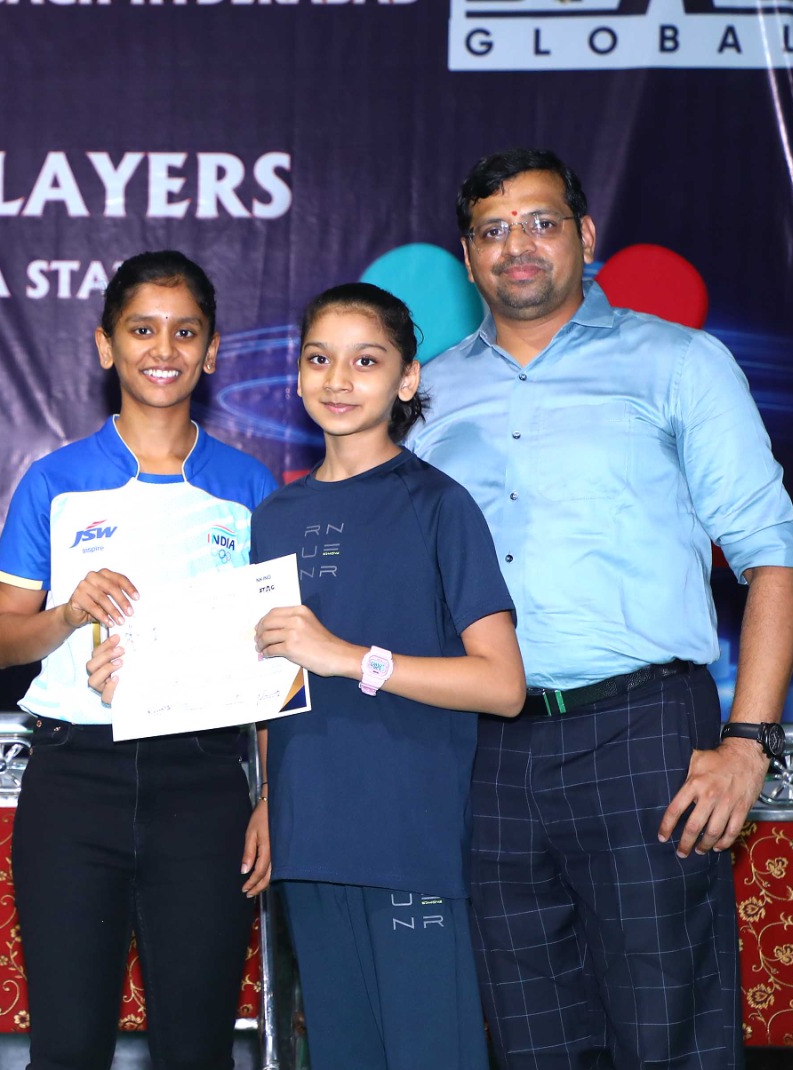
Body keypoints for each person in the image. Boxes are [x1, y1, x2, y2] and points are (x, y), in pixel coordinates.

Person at [408, 147, 793, 1069]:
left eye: (541, 222)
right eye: (493, 230)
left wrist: (748, 743)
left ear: (586, 236)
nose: (518, 246)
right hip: (485, 754)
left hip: (643, 737)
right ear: (467, 257)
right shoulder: (423, 393)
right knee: (532, 1040)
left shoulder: (679, 363)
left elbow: (777, 557)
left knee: (669, 1036)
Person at [0, 250, 277, 1070]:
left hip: (205, 784)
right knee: (67, 1047)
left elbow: (274, 661)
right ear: (105, 344)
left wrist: (270, 794)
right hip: (76, 781)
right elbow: (1, 640)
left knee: (197, 1047)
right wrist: (69, 613)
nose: (164, 349)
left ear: (211, 351)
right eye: (142, 329)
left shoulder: (250, 488)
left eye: (185, 332)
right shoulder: (54, 482)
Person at [249, 283, 524, 1070]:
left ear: (407, 379)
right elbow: (269, 684)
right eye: (319, 359)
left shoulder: (438, 505)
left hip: (410, 838)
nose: (338, 379)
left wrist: (350, 657)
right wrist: (268, 799)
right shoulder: (273, 516)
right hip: (308, 838)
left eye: (365, 361)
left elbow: (502, 684)